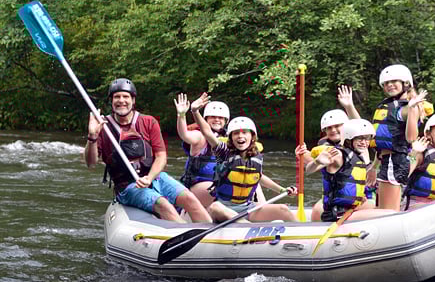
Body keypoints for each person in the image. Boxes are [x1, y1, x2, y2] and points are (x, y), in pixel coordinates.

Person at [84, 78, 212, 223]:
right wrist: (92, 136)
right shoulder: (103, 126)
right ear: (111, 101)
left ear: (133, 100)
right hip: (127, 186)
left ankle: (210, 237)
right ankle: (185, 238)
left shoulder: (148, 122)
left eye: (126, 96)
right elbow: (91, 163)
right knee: (163, 204)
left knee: (189, 198)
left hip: (155, 177)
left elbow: (161, 157)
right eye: (117, 97)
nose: (121, 100)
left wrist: (149, 178)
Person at [190, 93, 299, 222]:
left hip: (248, 209)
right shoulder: (223, 152)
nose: (240, 136)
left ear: (252, 136)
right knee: (215, 207)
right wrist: (195, 111)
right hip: (223, 210)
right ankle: (248, 228)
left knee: (283, 209)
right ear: (230, 137)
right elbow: (207, 132)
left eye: (244, 133)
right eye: (236, 133)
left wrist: (282, 190)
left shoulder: (256, 156)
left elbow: (260, 177)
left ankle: (306, 237)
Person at [305, 119, 396, 222]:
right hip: (337, 215)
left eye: (367, 139)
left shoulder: (357, 157)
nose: (364, 142)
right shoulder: (339, 155)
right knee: (390, 214)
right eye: (360, 139)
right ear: (348, 139)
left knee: (381, 208)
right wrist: (316, 162)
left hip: (349, 210)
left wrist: (358, 198)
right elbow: (308, 170)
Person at [366, 64, 428, 211]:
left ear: (405, 83)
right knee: (381, 207)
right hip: (385, 162)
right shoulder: (389, 107)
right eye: (386, 83)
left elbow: (411, 138)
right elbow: (381, 143)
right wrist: (374, 167)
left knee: (388, 212)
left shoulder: (408, 108)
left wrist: (412, 109)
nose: (389, 85)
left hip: (395, 163)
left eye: (394, 81)